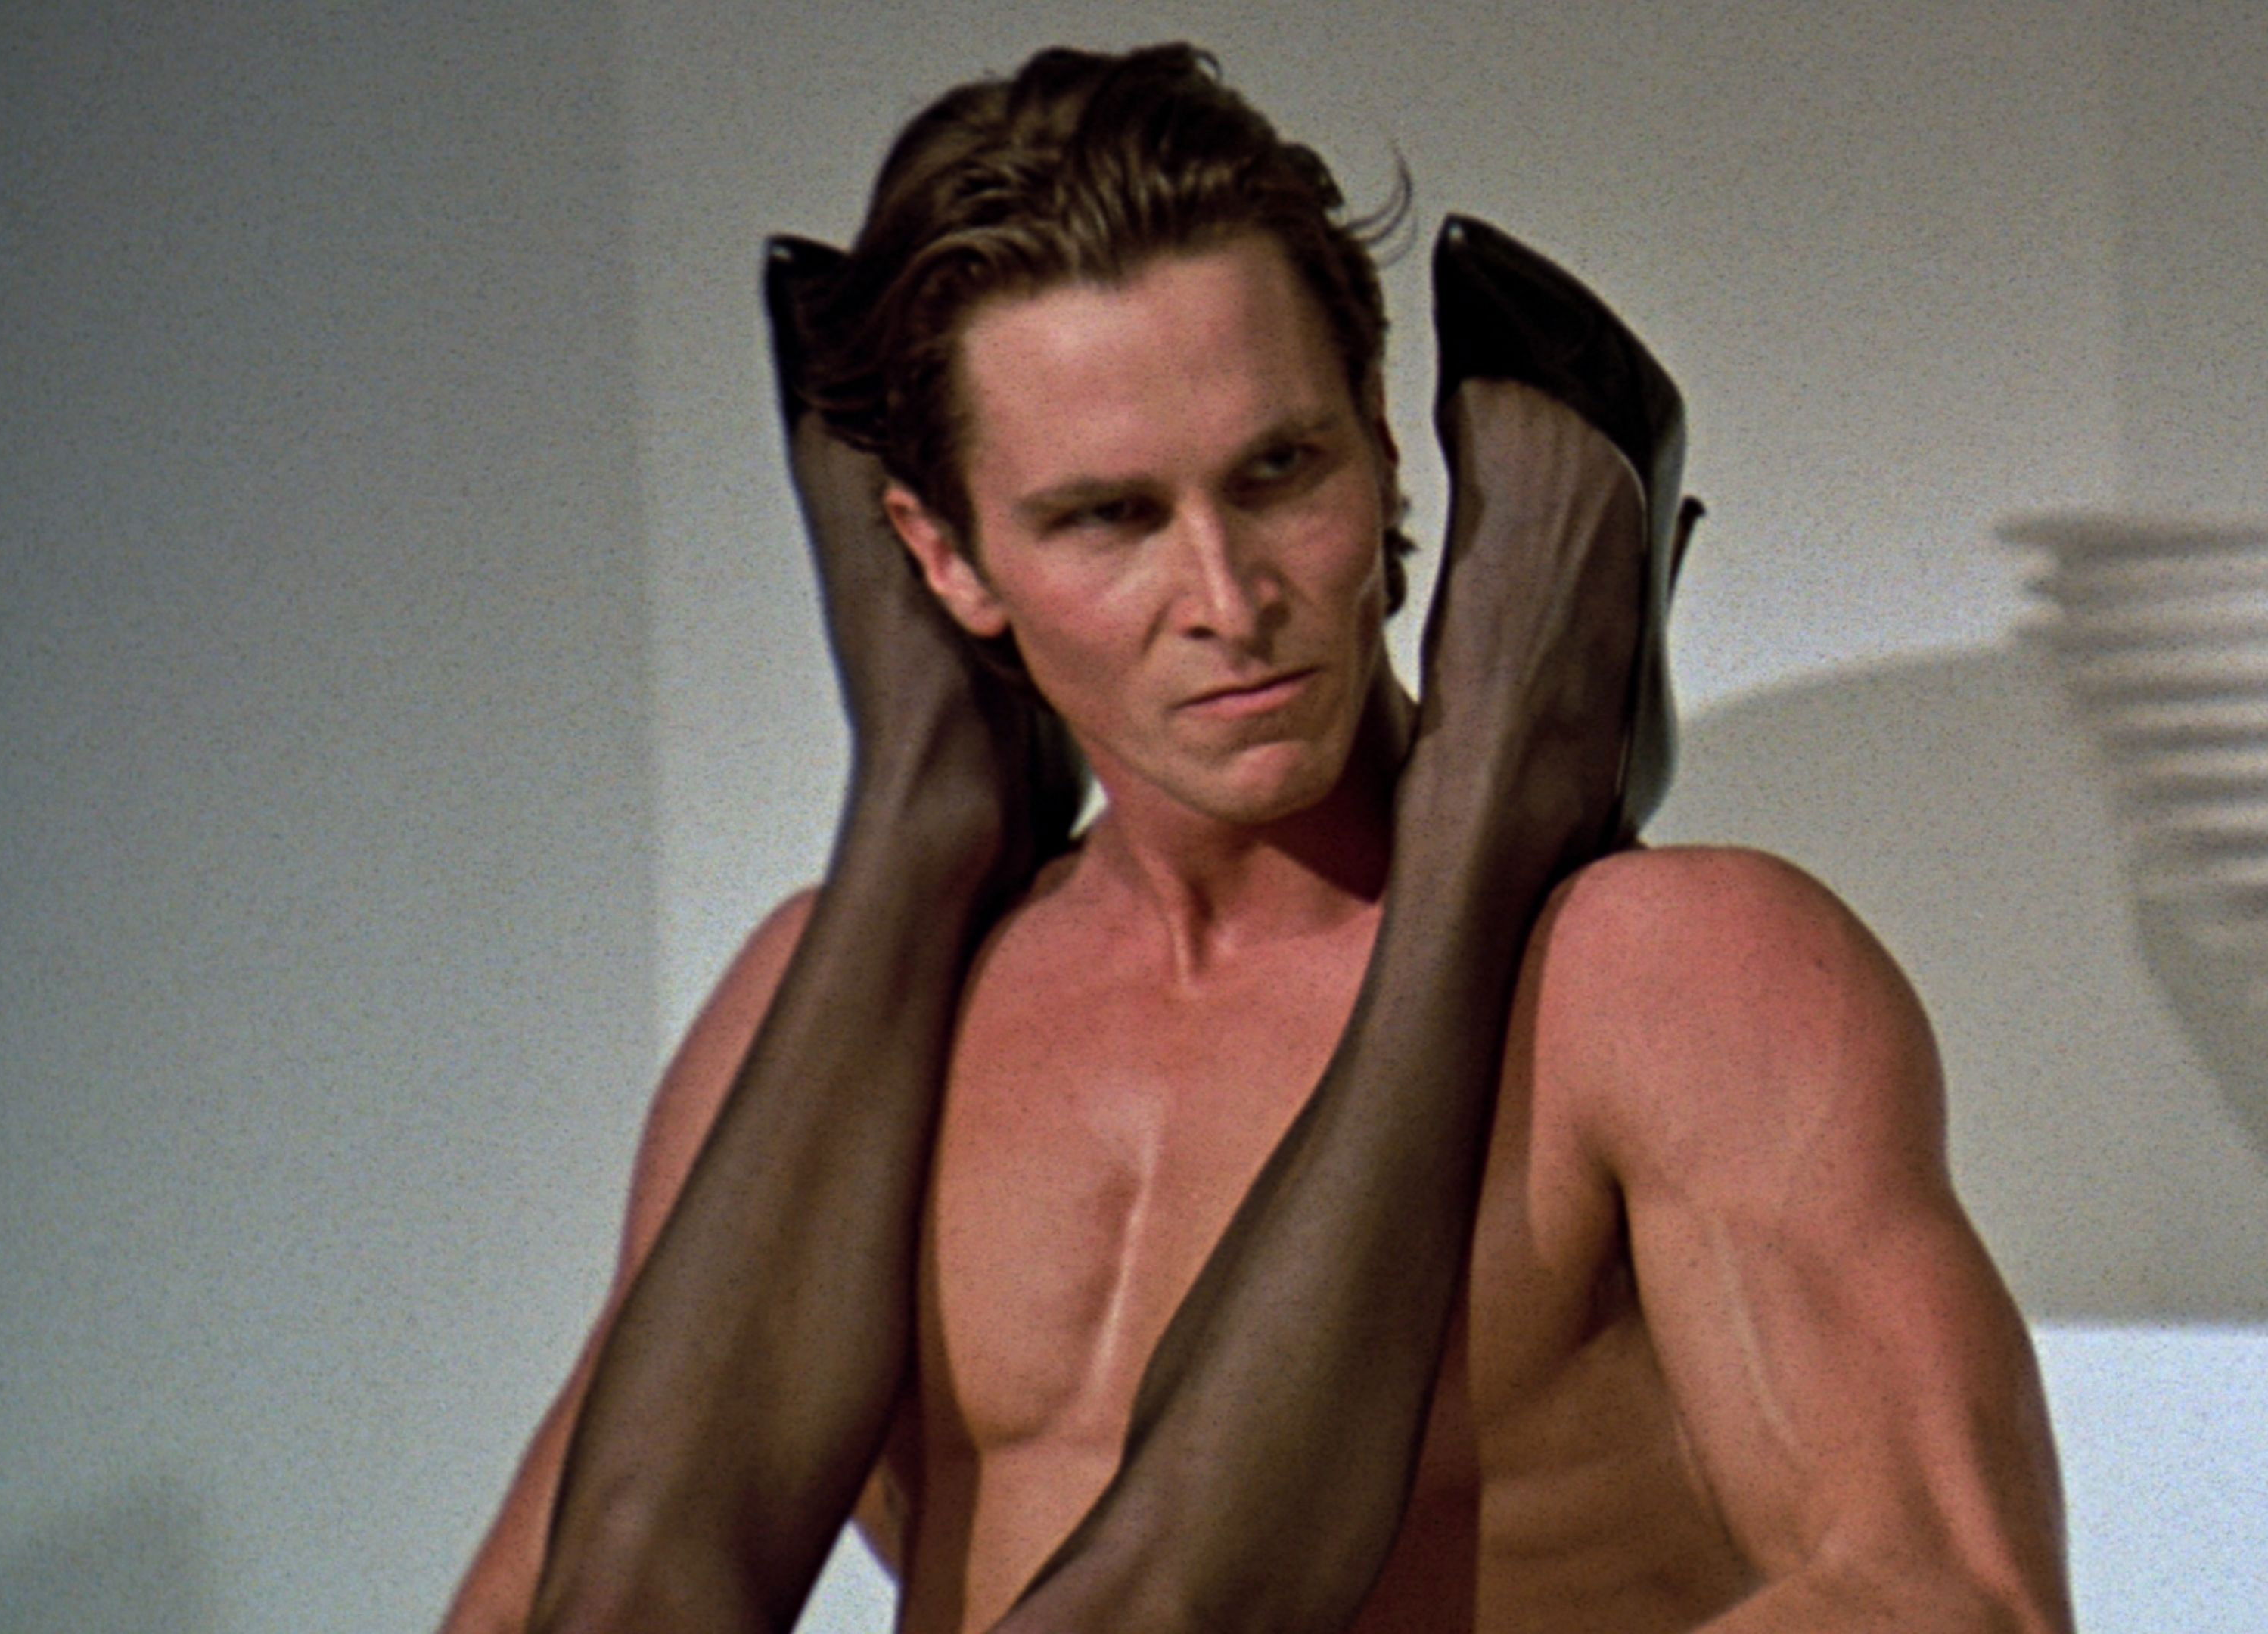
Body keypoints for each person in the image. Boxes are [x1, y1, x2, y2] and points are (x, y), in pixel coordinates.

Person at [442, 42, 2071, 1634]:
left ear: (1382, 442)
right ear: (944, 557)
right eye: (1110, 517)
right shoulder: (833, 1014)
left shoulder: (1664, 976)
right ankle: (1439, 755)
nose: (1230, 601)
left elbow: (1952, 1596)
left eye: (1281, 472)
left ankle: (1417, 796)